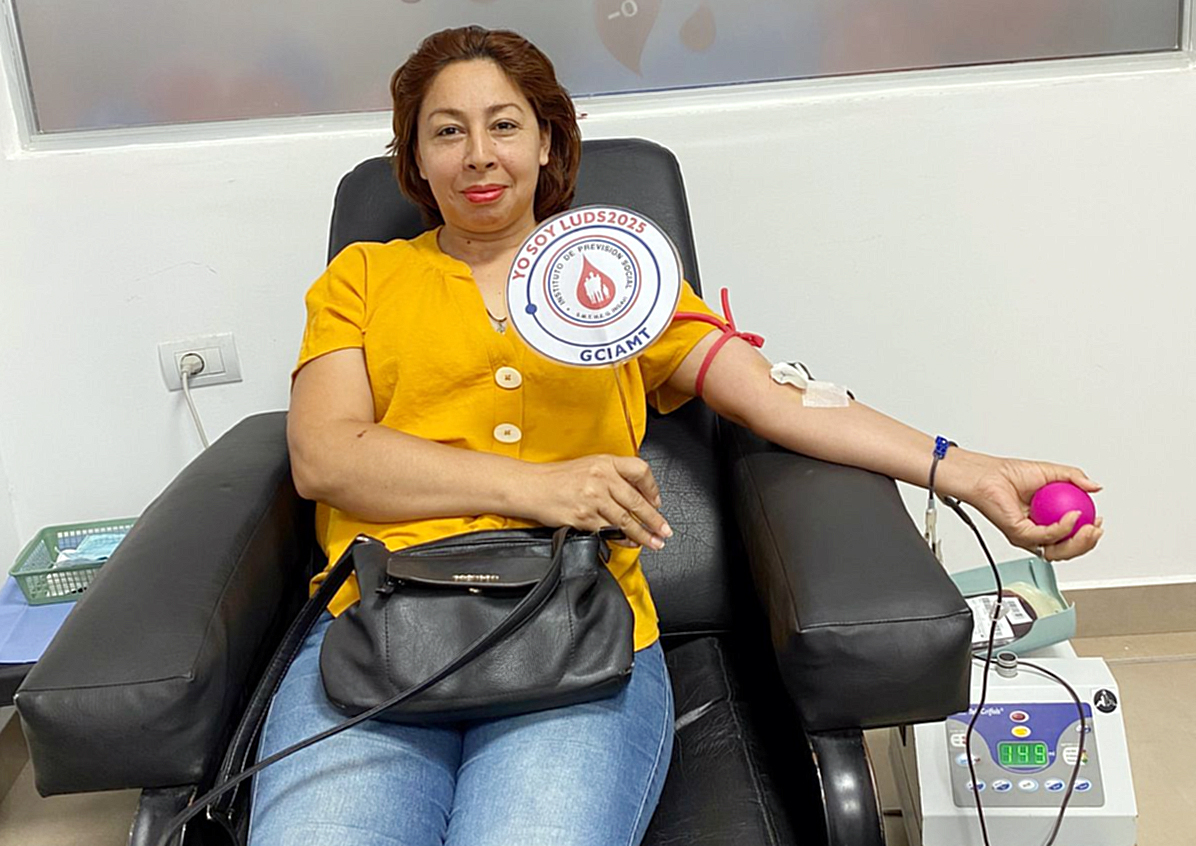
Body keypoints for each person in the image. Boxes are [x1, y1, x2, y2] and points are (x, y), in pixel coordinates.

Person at [253, 25, 1105, 846]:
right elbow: (325, 455)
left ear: (547, 141)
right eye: (448, 131)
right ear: (414, 156)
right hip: (377, 620)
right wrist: (542, 488)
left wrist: (968, 471)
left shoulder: (615, 272)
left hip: (578, 627)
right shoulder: (364, 278)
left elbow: (778, 400)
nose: (479, 154)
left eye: (504, 125)